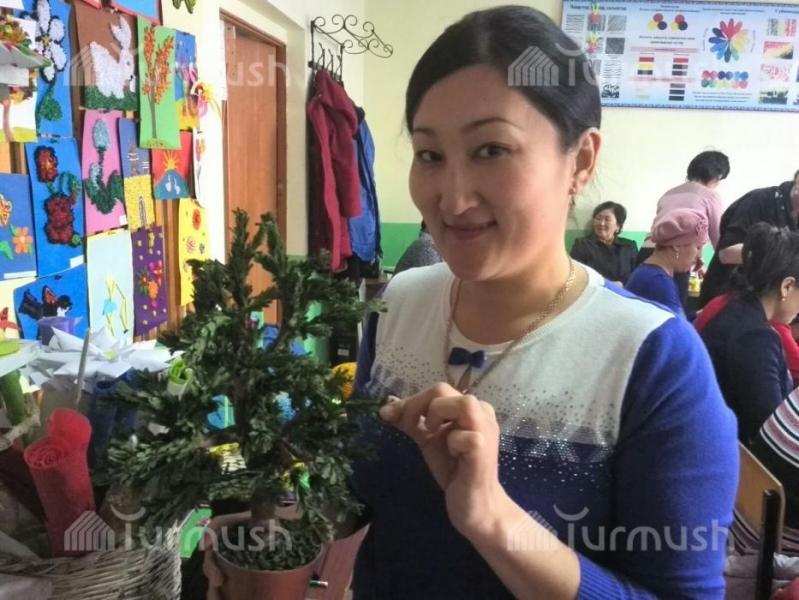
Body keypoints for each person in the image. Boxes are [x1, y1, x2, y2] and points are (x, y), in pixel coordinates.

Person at [351, 6, 738, 599]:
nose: (452, 200)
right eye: (430, 155)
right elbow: (359, 492)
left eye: (491, 150)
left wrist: (495, 521)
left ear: (580, 161)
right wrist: (268, 516)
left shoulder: (653, 360)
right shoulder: (399, 303)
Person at [699, 223, 799, 445]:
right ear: (786, 286)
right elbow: (770, 432)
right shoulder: (756, 338)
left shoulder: (731, 305)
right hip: (730, 449)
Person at [638, 150, 730, 308]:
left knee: (642, 308)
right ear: (717, 176)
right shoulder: (710, 196)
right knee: (672, 311)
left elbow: (673, 229)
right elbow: (719, 243)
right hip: (674, 259)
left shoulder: (668, 193)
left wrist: (696, 258)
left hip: (647, 254)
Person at [699, 170, 799, 307]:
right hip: (730, 297)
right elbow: (726, 253)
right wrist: (782, 256)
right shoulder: (759, 200)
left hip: (772, 303)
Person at [626, 208, 708, 316]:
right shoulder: (658, 282)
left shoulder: (647, 272)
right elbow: (674, 326)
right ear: (677, 245)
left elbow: (670, 321)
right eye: (698, 247)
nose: (699, 257)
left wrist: (700, 315)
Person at [569, 201, 637, 284]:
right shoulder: (582, 244)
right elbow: (576, 276)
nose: (601, 223)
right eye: (598, 218)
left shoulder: (629, 246)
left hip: (623, 291)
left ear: (618, 226)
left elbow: (636, 277)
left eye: (607, 219)